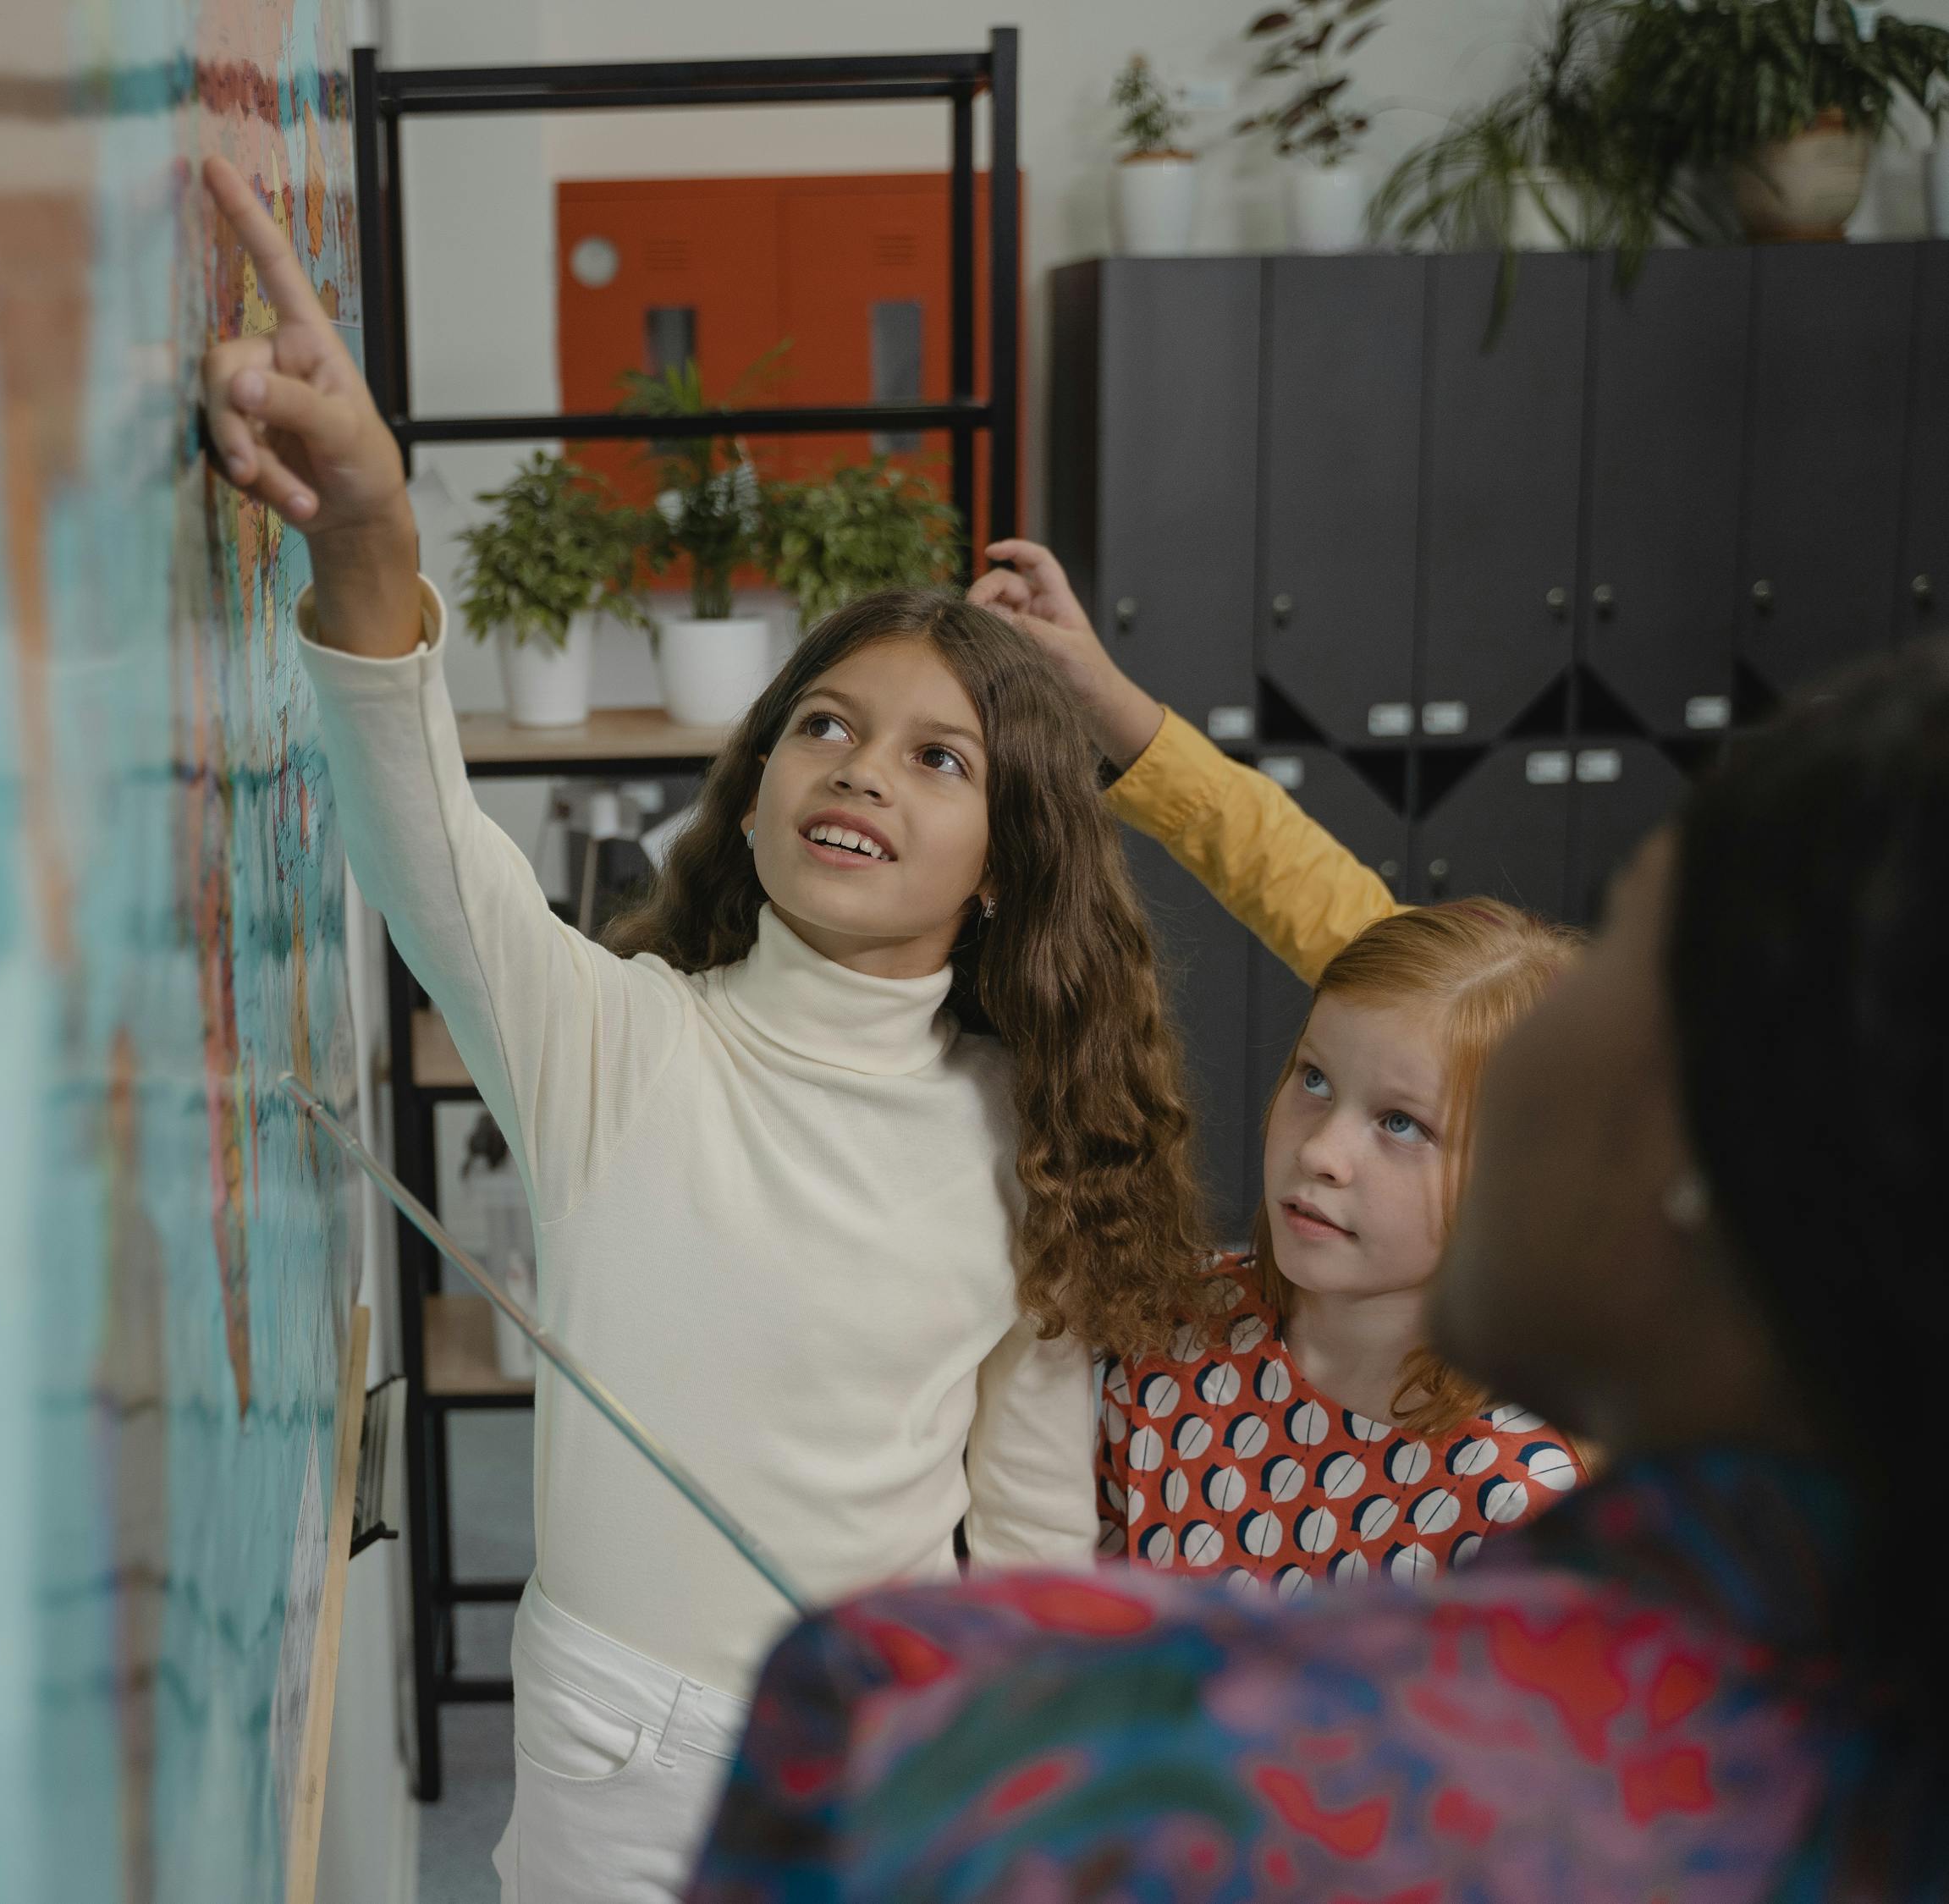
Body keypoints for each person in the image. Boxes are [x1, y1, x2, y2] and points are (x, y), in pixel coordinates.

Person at [195, 158, 1210, 1901]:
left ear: (1001, 869)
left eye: (934, 757)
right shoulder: (624, 1044)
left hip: (886, 1748)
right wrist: (365, 533)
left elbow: (1033, 1527)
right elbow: (427, 845)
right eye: (824, 725)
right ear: (748, 800)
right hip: (624, 1750)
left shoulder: (1029, 1128)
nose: (861, 772)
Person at [687, 634, 1949, 1899]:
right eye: (1312, 1081)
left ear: (1706, 1157)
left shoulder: (901, 1735)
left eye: (1619, 935)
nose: (1333, 1149)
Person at [960, 541, 1588, 1587]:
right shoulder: (1168, 1342)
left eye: (1400, 1124)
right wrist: (1106, 701)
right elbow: (1293, 876)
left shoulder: (1516, 1505)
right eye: (1311, 1081)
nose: (1325, 1153)